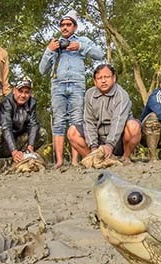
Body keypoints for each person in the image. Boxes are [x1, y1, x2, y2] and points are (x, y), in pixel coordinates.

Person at [38, 10, 105, 168]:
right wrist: (49, 51)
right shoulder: (54, 44)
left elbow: (100, 54)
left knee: (77, 121)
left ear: (75, 27)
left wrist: (80, 47)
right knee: (59, 122)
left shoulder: (82, 41)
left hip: (76, 85)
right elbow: (42, 70)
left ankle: (75, 161)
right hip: (57, 85)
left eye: (68, 25)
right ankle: (59, 161)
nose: (65, 27)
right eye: (62, 25)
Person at [68, 64, 141, 164]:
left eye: (106, 77)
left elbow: (118, 122)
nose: (103, 81)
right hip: (99, 138)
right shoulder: (89, 94)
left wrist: (109, 145)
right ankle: (94, 160)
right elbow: (88, 122)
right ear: (95, 81)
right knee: (72, 132)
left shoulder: (122, 95)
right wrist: (93, 147)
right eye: (99, 78)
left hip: (119, 139)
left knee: (133, 126)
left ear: (114, 78)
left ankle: (125, 158)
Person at [0, 78, 47, 163]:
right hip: (3, 142)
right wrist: (14, 151)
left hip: (18, 139)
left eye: (26, 92)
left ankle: (24, 156)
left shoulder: (32, 103)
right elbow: (6, 127)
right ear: (14, 90)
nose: (23, 95)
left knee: (42, 132)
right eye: (20, 91)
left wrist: (31, 145)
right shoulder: (6, 103)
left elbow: (33, 124)